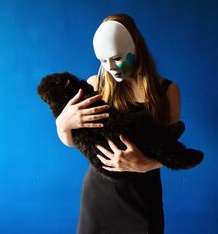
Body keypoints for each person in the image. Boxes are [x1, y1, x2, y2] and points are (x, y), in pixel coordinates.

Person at [55, 14, 181, 233]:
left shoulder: (167, 91)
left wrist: (144, 164)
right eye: (104, 61)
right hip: (98, 198)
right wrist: (63, 125)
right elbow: (73, 142)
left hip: (142, 199)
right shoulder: (95, 85)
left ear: (135, 47)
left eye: (117, 58)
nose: (111, 68)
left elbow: (173, 152)